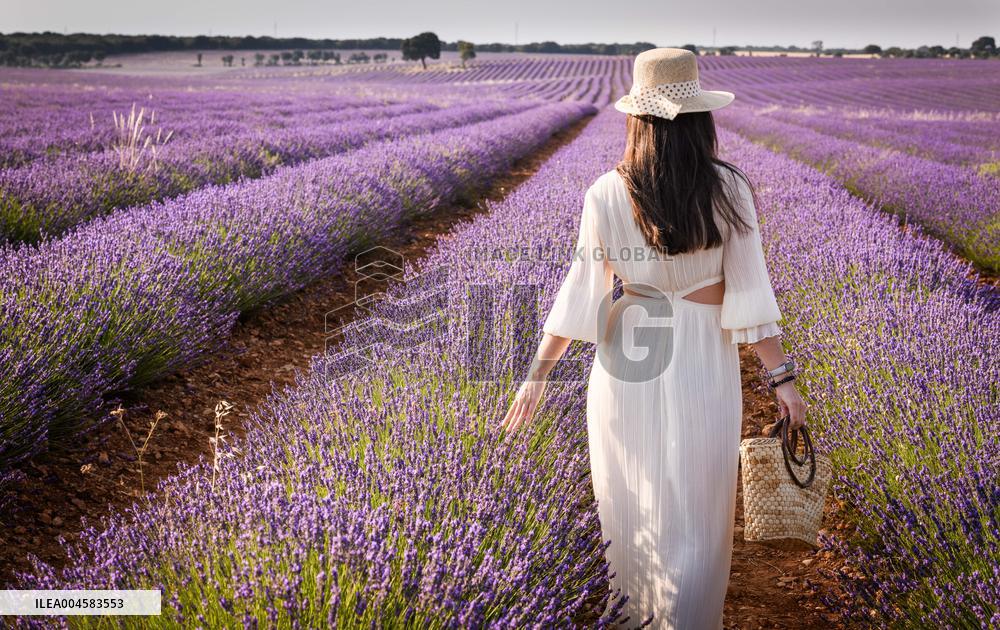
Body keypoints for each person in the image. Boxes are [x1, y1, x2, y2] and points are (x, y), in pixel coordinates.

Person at [501, 48, 807, 628]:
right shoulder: (729, 191)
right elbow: (750, 294)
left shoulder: (605, 193)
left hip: (625, 357)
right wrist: (782, 380)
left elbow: (582, 291)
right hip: (700, 361)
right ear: (700, 118)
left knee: (632, 509)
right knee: (698, 515)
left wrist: (537, 375)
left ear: (636, 119)